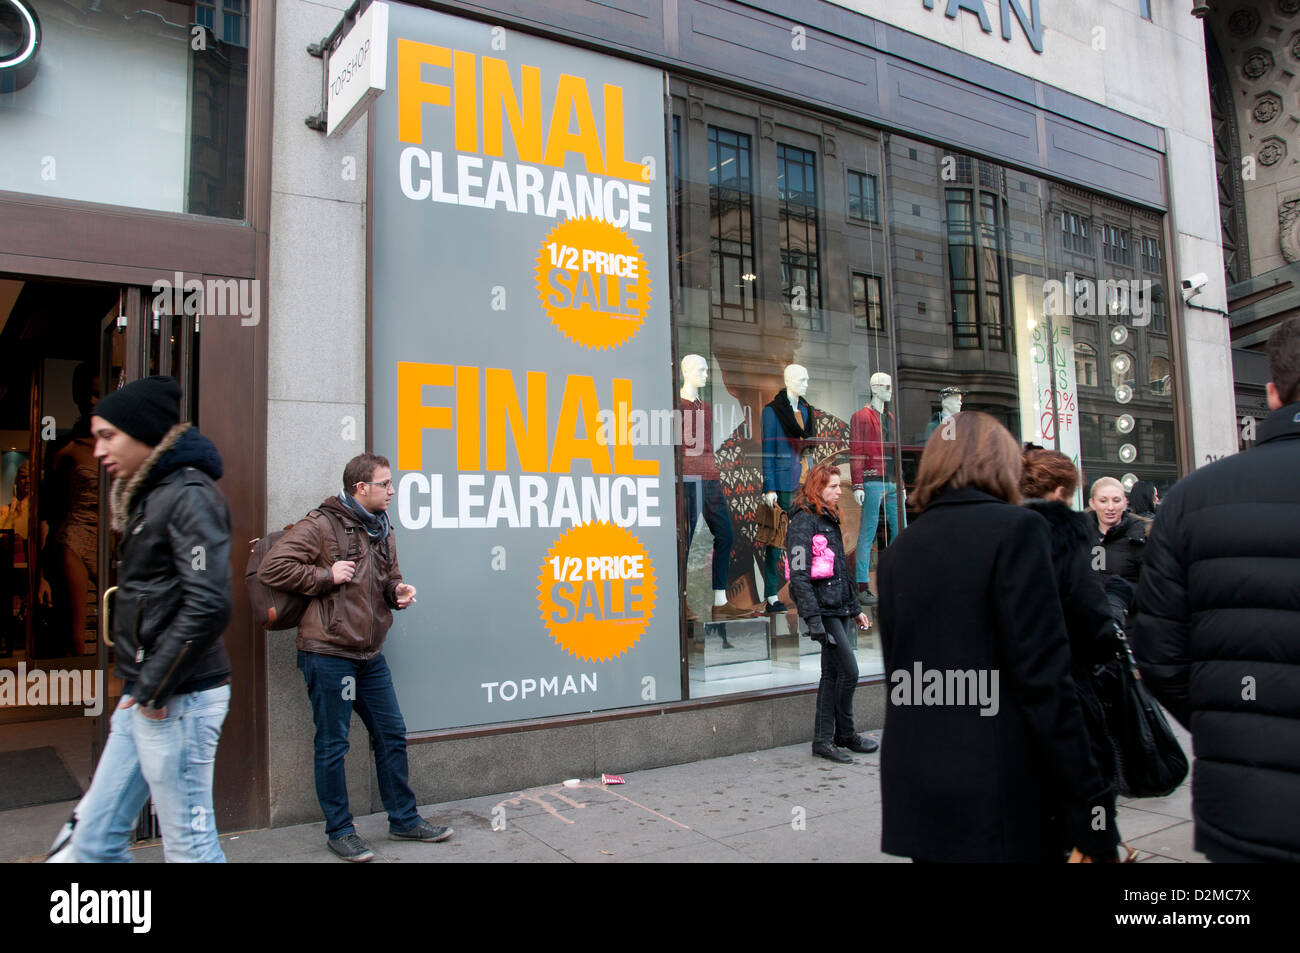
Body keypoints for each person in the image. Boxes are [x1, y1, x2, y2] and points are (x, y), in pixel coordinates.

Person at [877, 413, 1118, 862]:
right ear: (1000, 463)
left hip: (919, 786)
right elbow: (1045, 679)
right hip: (998, 788)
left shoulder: (898, 553)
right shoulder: (1018, 530)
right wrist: (1093, 811)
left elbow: (903, 678)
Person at [1129, 316, 1300, 863]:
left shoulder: (1191, 499)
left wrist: (1228, 722)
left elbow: (1157, 649)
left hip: (1245, 804)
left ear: (1271, 394)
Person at [258, 452, 452, 862]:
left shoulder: (382, 528)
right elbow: (272, 569)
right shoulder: (321, 525)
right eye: (386, 483)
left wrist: (397, 594)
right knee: (333, 743)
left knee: (391, 733)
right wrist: (325, 576)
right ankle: (341, 830)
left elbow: (388, 578)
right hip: (328, 652)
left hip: (369, 654)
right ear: (360, 488)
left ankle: (403, 819)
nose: (393, 490)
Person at [70, 376, 233, 862]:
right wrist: (139, 688)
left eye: (107, 435)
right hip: (147, 693)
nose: (98, 450)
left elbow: (207, 602)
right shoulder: (149, 493)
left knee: (190, 848)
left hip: (177, 698)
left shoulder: (189, 494)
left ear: (142, 433)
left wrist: (154, 688)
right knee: (94, 840)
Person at [1021, 448, 1121, 788]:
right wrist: (1104, 651)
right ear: (1061, 491)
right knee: (1085, 782)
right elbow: (1089, 605)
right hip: (1067, 677)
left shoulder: (1005, 528)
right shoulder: (1070, 530)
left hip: (1016, 681)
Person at [786, 462, 878, 763]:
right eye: (834, 487)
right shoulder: (803, 521)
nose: (840, 491)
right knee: (849, 672)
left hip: (837, 606)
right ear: (818, 488)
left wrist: (854, 609)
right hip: (823, 611)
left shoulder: (829, 517)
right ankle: (842, 734)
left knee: (832, 674)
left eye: (840, 486)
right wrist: (813, 619)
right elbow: (799, 575)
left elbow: (841, 568)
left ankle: (829, 738)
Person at [1086, 476, 1148, 622]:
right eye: (1103, 501)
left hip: (1131, 629)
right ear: (1092, 503)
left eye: (1116, 500)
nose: (1110, 507)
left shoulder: (1142, 536)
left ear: (1125, 503)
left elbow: (1154, 588)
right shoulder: (1080, 536)